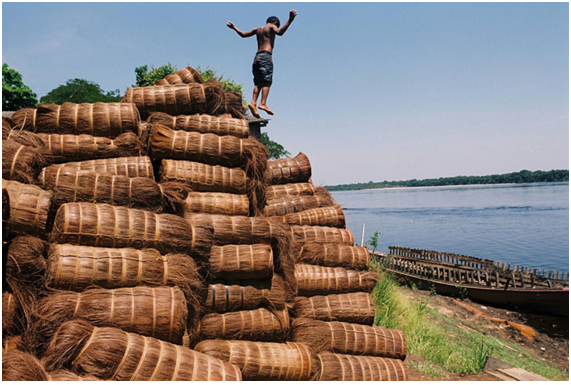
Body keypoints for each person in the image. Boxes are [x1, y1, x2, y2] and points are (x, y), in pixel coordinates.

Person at [227, 10, 297, 118]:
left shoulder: (258, 29)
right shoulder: (271, 26)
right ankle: (262, 103)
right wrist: (290, 20)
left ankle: (253, 103)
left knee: (258, 83)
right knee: (267, 81)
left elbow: (243, 35)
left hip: (257, 58)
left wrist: (234, 28)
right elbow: (280, 33)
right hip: (265, 56)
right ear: (275, 22)